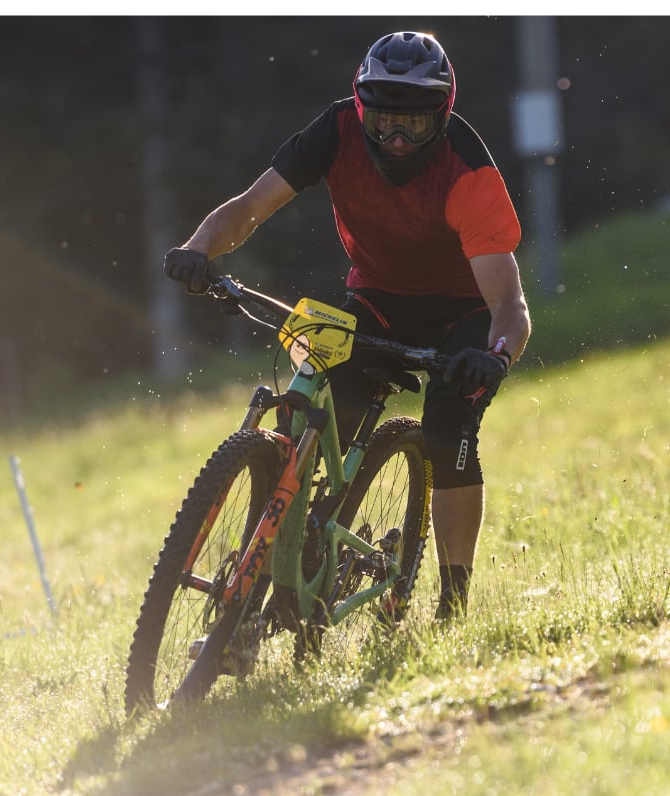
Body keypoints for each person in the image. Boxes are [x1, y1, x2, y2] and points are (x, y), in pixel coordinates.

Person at [164, 30, 532, 621]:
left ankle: (452, 602)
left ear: (442, 116)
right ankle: (302, 550)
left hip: (464, 315)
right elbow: (251, 207)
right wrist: (199, 247)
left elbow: (509, 303)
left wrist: (497, 354)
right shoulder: (334, 133)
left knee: (448, 427)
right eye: (384, 121)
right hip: (379, 300)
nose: (396, 138)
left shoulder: (468, 172)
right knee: (320, 404)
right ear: (361, 109)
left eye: (414, 124)